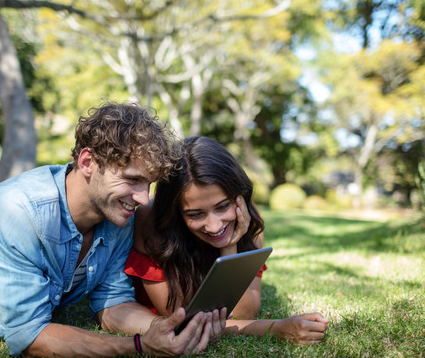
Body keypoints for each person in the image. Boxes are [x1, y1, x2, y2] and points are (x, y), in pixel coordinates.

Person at [0, 103, 226, 357]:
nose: (142, 198)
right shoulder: (14, 209)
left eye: (148, 185)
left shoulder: (118, 214)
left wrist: (165, 329)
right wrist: (139, 346)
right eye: (132, 179)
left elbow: (113, 302)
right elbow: (28, 336)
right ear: (87, 162)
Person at [125, 136, 329, 344]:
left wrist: (229, 246)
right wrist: (275, 328)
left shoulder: (249, 225)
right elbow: (182, 320)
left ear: (239, 196)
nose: (214, 226)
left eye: (222, 206)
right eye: (195, 214)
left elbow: (245, 312)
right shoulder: (152, 225)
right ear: (176, 212)